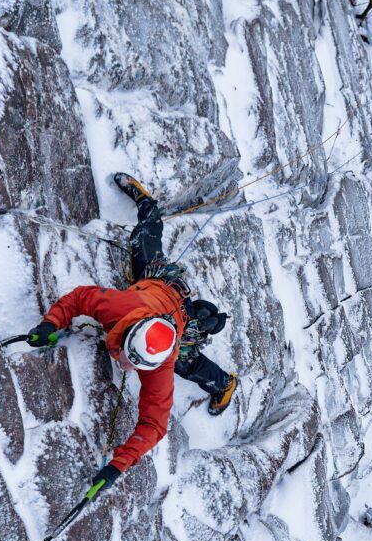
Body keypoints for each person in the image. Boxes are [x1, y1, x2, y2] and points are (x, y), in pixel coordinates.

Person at [25, 172, 237, 503]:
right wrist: (50, 323)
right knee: (144, 234)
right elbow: (80, 298)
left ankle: (224, 384)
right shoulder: (121, 308)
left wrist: (117, 466)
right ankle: (146, 203)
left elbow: (154, 424)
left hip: (175, 313)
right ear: (128, 334)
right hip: (157, 285)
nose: (124, 365)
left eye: (134, 364)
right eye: (127, 356)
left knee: (189, 362)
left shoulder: (164, 362)